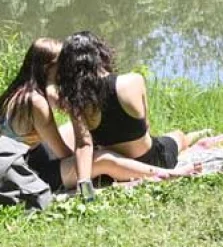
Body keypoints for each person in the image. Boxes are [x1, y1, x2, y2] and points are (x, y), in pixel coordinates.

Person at [0, 38, 185, 197]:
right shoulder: (37, 103)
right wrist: (87, 156)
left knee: (73, 131)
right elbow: (64, 153)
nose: (69, 68)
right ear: (49, 68)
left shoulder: (18, 93)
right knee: (102, 159)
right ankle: (163, 174)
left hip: (22, 159)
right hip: (28, 173)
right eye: (64, 63)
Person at [56, 31, 207, 187]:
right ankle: (198, 135)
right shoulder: (133, 80)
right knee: (178, 135)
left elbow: (83, 145)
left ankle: (197, 135)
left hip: (117, 171)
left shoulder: (77, 100)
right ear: (101, 53)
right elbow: (145, 126)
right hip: (153, 160)